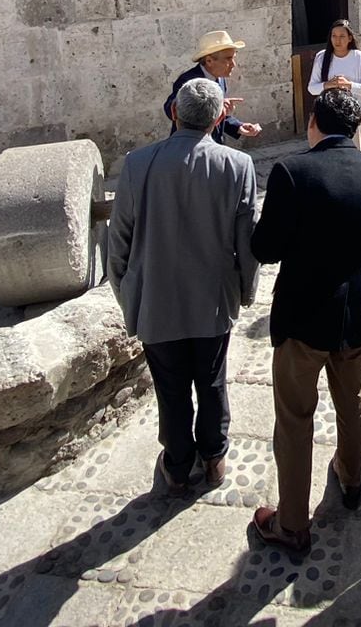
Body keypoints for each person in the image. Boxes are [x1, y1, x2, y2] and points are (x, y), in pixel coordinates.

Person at [248, 90, 361, 556]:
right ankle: (351, 480)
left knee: (294, 418)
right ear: (355, 129)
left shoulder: (293, 171)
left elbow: (265, 248)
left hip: (304, 317)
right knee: (354, 401)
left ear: (314, 123)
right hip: (354, 315)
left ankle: (292, 525)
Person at [107, 77, 259, 495]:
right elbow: (246, 243)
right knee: (211, 381)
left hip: (156, 300)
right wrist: (246, 291)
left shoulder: (138, 164)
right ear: (219, 117)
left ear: (174, 113)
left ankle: (177, 465)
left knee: (170, 388)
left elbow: (118, 239)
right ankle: (214, 457)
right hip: (213, 299)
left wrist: (127, 296)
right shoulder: (237, 166)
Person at [165, 30, 262, 143]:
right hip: (188, 147)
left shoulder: (220, 79)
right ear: (209, 60)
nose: (233, 64)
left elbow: (215, 117)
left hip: (213, 147)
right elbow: (169, 108)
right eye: (228, 59)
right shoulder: (187, 81)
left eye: (233, 58)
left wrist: (238, 127)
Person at [306, 19, 361, 151]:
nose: (337, 40)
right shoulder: (322, 57)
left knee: (354, 153)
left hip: (352, 116)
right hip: (327, 116)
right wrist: (328, 85)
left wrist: (348, 85)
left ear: (350, 38)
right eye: (334, 36)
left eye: (342, 36)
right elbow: (312, 88)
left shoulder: (357, 57)